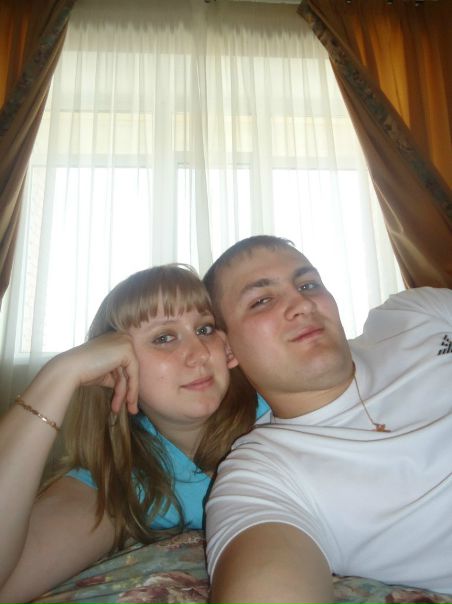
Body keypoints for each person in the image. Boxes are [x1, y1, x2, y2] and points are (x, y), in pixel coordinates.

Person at [202, 235, 452, 603]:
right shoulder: (263, 474)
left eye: (307, 285)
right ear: (226, 348)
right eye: (262, 301)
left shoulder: (411, 314)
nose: (302, 303)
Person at [0, 264, 269, 603]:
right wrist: (59, 374)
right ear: (115, 366)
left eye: (205, 329)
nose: (200, 353)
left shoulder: (275, 406)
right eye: (164, 338)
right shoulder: (121, 480)